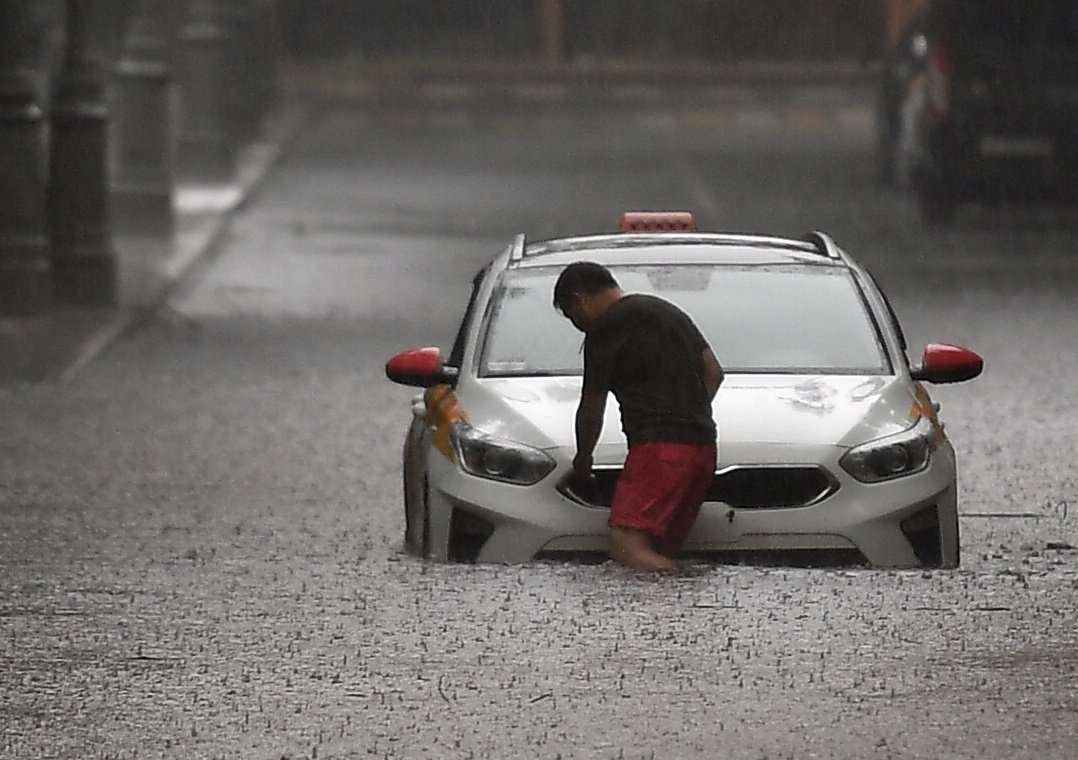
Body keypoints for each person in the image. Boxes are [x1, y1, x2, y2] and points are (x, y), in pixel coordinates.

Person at [553, 261, 723, 573]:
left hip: (659, 451)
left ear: (578, 299)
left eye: (570, 315)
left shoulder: (605, 329)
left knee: (626, 546)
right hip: (702, 450)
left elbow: (592, 408)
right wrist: (689, 413)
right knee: (656, 552)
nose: (576, 324)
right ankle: (673, 616)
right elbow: (713, 373)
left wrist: (584, 456)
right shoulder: (670, 313)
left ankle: (703, 593)